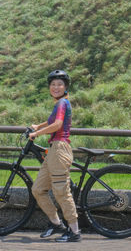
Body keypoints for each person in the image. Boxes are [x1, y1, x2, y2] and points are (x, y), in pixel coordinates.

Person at [29, 70, 81, 242]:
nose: (56, 87)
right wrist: (38, 126)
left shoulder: (62, 104)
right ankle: (56, 223)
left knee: (61, 191)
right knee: (38, 189)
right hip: (53, 150)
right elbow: (52, 121)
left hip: (60, 149)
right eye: (53, 84)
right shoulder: (60, 104)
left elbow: (58, 124)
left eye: (60, 84)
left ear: (65, 87)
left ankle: (74, 231)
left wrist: (38, 133)